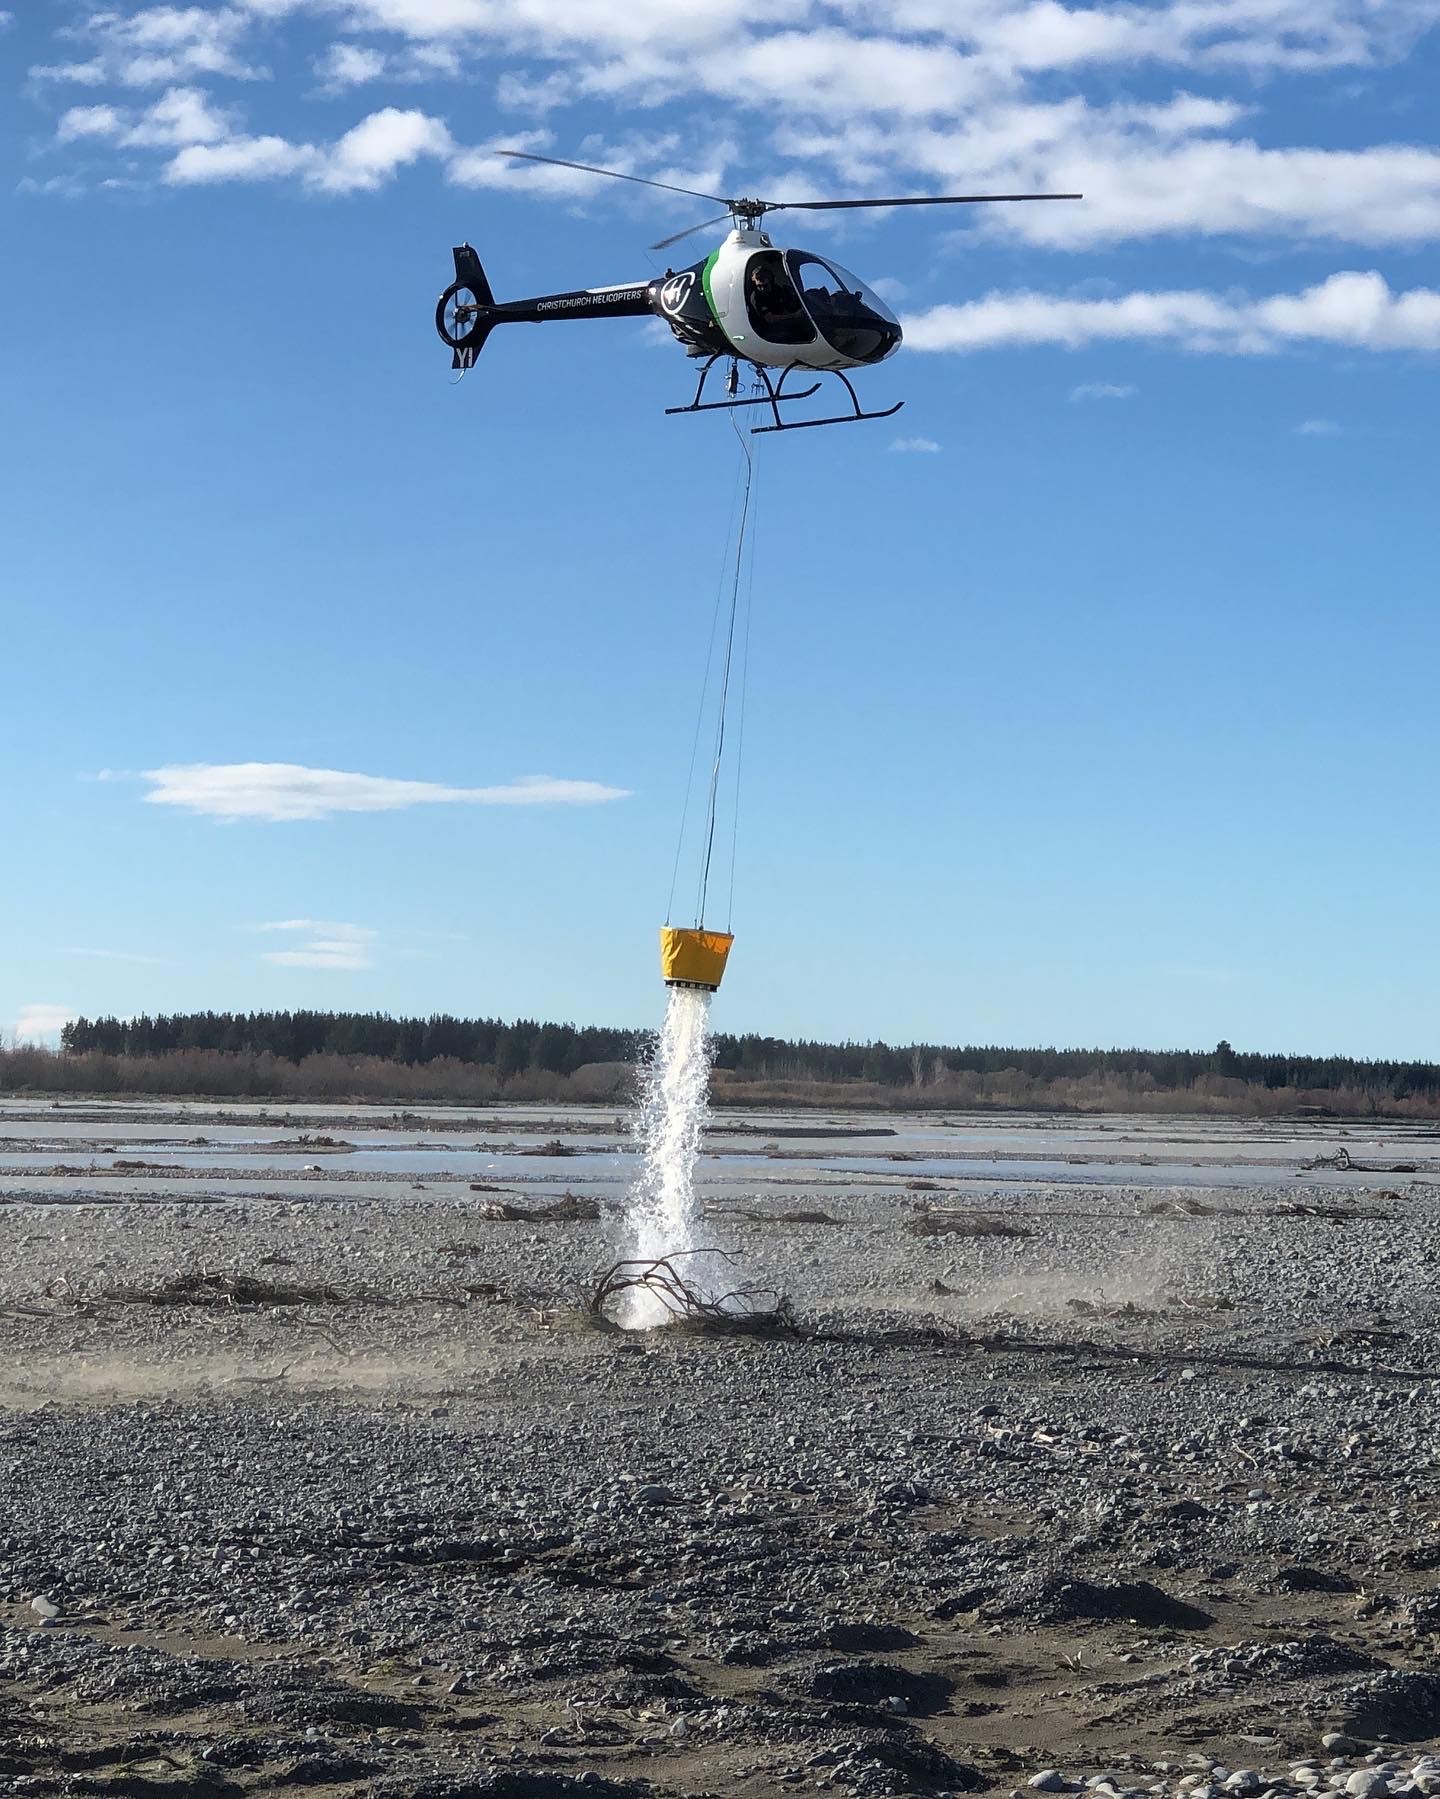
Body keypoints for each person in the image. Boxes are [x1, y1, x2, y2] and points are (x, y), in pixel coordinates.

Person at [747, 261, 806, 336]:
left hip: (780, 322)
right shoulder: (756, 296)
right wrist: (794, 315)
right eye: (759, 286)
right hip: (765, 329)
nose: (762, 289)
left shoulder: (777, 290)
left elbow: (785, 307)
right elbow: (770, 319)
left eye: (765, 286)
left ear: (771, 281)